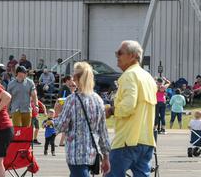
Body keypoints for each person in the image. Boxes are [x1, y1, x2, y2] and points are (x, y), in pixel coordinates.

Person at [105, 40, 157, 177]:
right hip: (146, 141)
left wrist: (110, 110)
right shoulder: (148, 78)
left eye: (120, 53)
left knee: (111, 174)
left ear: (133, 56)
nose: (117, 56)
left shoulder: (129, 75)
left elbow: (128, 106)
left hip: (127, 141)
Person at [53, 62, 110, 176]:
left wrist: (57, 113)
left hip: (75, 154)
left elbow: (60, 126)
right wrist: (106, 156)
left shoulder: (71, 100)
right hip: (92, 153)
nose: (72, 78)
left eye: (74, 75)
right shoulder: (98, 100)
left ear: (78, 79)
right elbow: (103, 131)